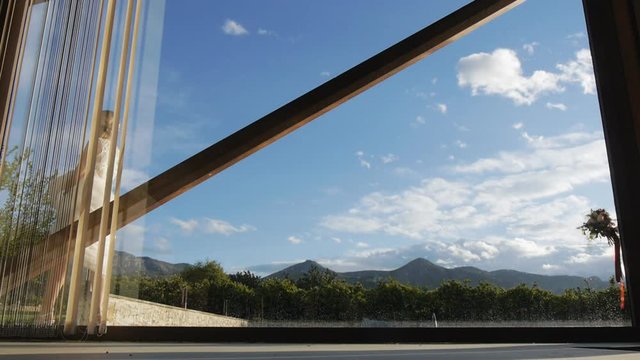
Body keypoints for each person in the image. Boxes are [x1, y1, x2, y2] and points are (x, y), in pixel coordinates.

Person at [39, 110, 119, 324]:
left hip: (85, 194)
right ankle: (98, 314)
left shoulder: (94, 143)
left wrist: (65, 192)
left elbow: (81, 172)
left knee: (61, 258)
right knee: (100, 263)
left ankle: (46, 312)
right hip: (103, 198)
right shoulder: (117, 151)